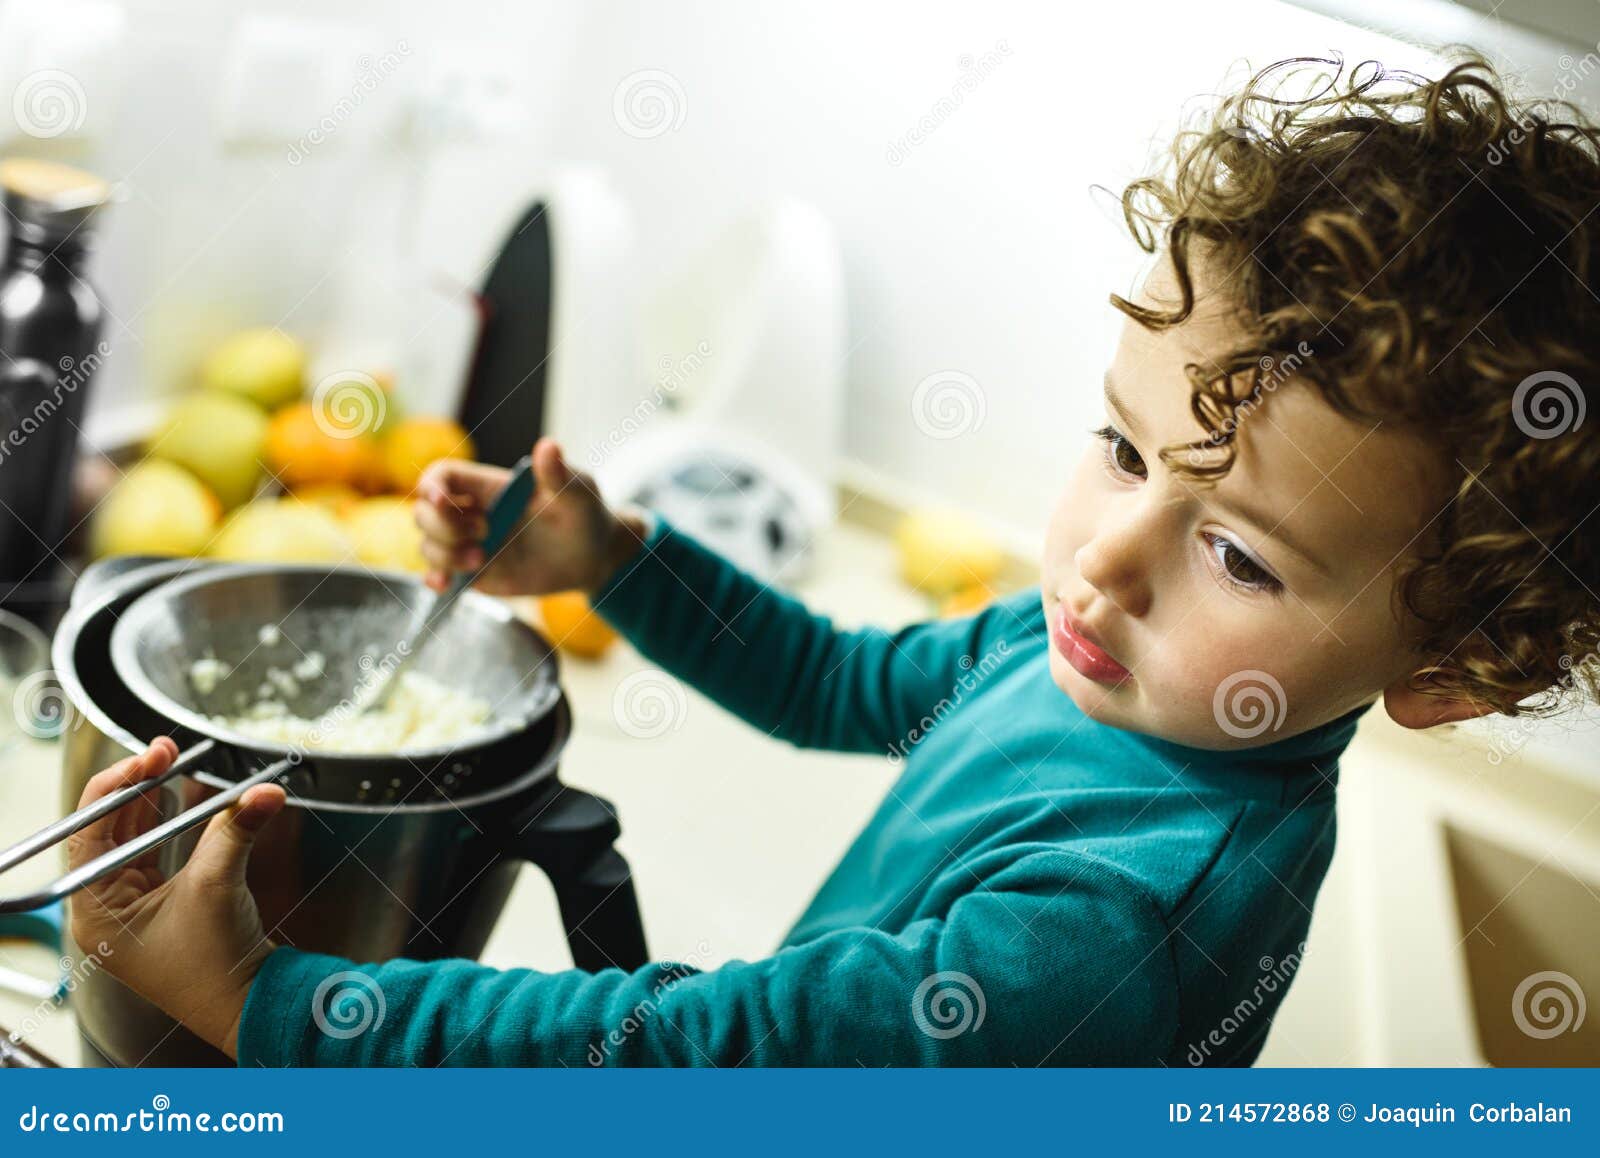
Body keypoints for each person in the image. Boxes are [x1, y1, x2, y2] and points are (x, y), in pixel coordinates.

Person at [66, 51, 1600, 1065]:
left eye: (1244, 559)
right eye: (1122, 450)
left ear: (1452, 667)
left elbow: (707, 1061)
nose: (1103, 561)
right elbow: (840, 678)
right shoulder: (1106, 663)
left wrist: (277, 1010)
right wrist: (616, 557)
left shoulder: (1108, 930)